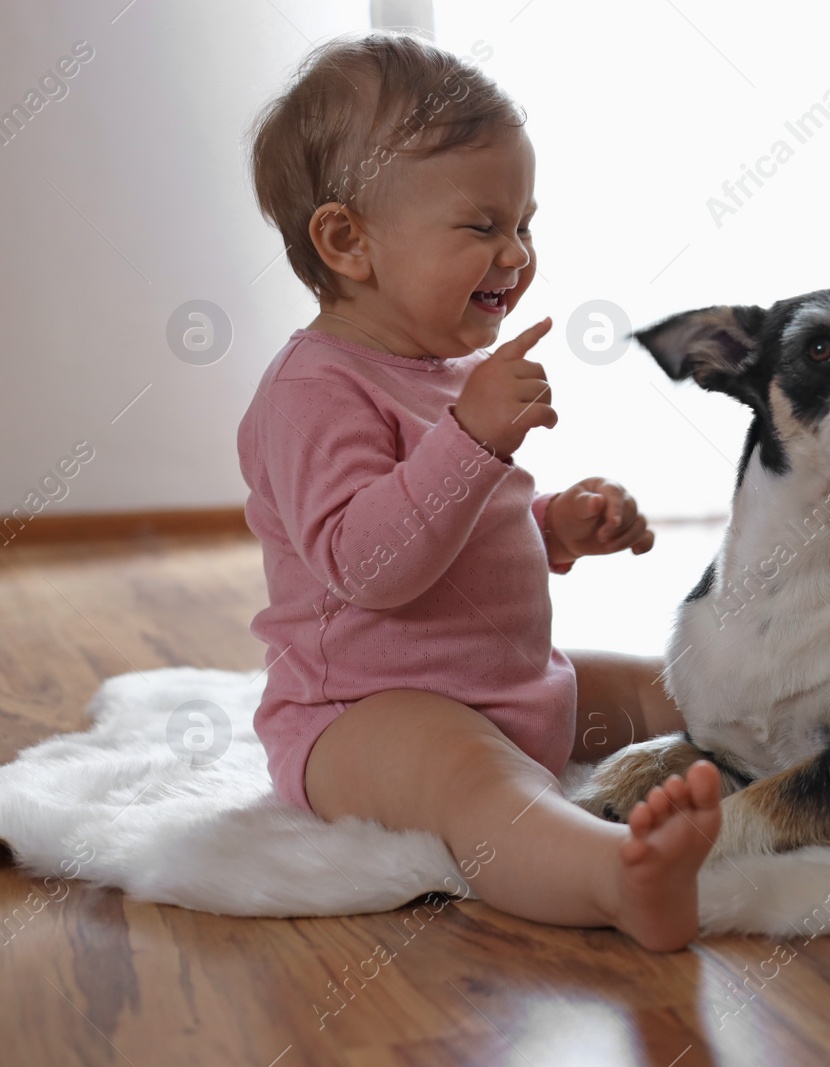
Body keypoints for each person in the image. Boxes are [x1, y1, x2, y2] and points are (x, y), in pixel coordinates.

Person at [236, 32, 720, 951]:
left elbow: (458, 536)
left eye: (525, 222)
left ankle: (829, 732)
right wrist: (472, 437)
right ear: (348, 242)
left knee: (667, 683)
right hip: (364, 717)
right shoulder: (312, 390)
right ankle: (615, 876)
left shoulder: (440, 370)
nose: (516, 252)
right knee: (477, 786)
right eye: (482, 226)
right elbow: (366, 565)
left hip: (506, 682)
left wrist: (551, 524)